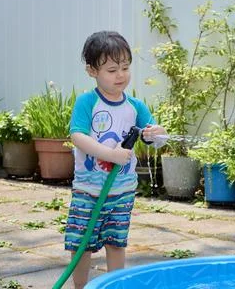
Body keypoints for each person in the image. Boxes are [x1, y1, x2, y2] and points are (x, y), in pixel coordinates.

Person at [64, 30, 167, 289]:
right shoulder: (88, 102)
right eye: (112, 70)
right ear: (92, 71)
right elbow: (77, 136)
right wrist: (109, 154)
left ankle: (116, 286)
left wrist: (157, 133)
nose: (120, 75)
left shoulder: (135, 106)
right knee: (82, 246)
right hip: (89, 190)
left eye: (125, 67)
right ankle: (80, 287)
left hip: (122, 191)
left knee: (116, 242)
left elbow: (155, 137)